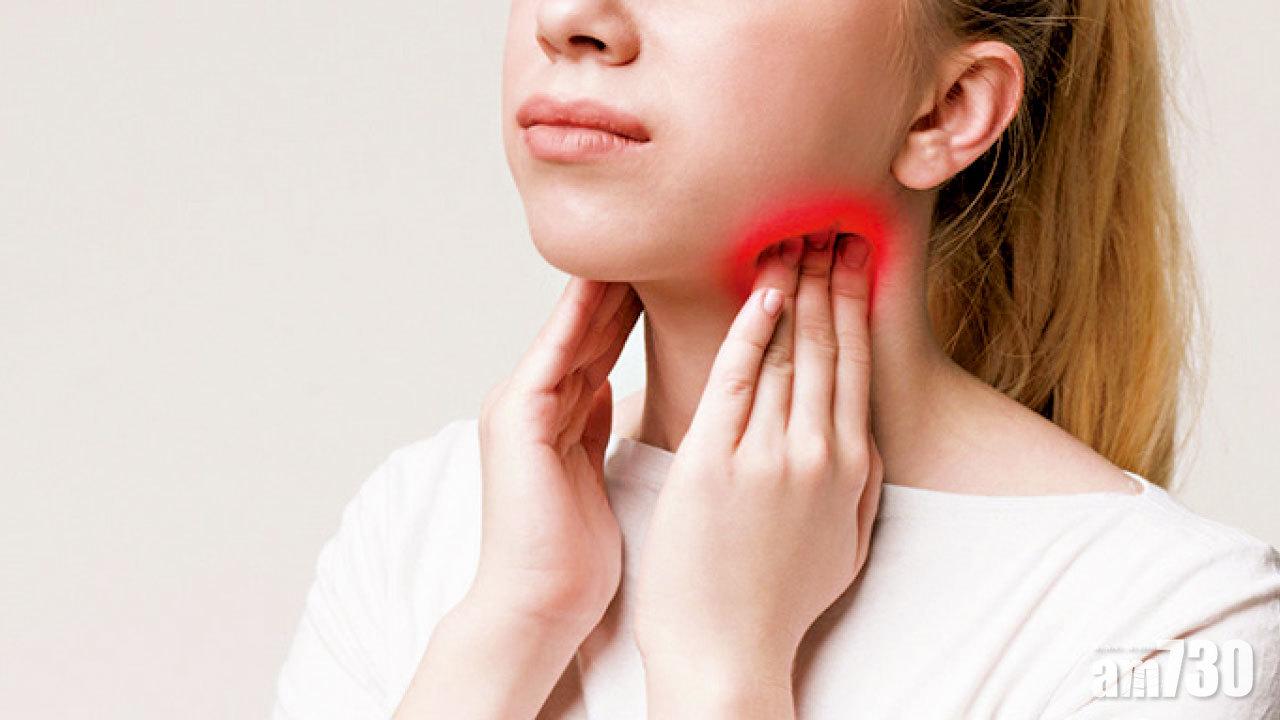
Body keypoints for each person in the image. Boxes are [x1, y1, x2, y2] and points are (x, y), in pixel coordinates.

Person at [272, 0, 1280, 718]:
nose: (571, 20)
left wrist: (724, 675)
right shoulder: (426, 526)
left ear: (946, 110)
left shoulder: (1170, 625)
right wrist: (509, 631)